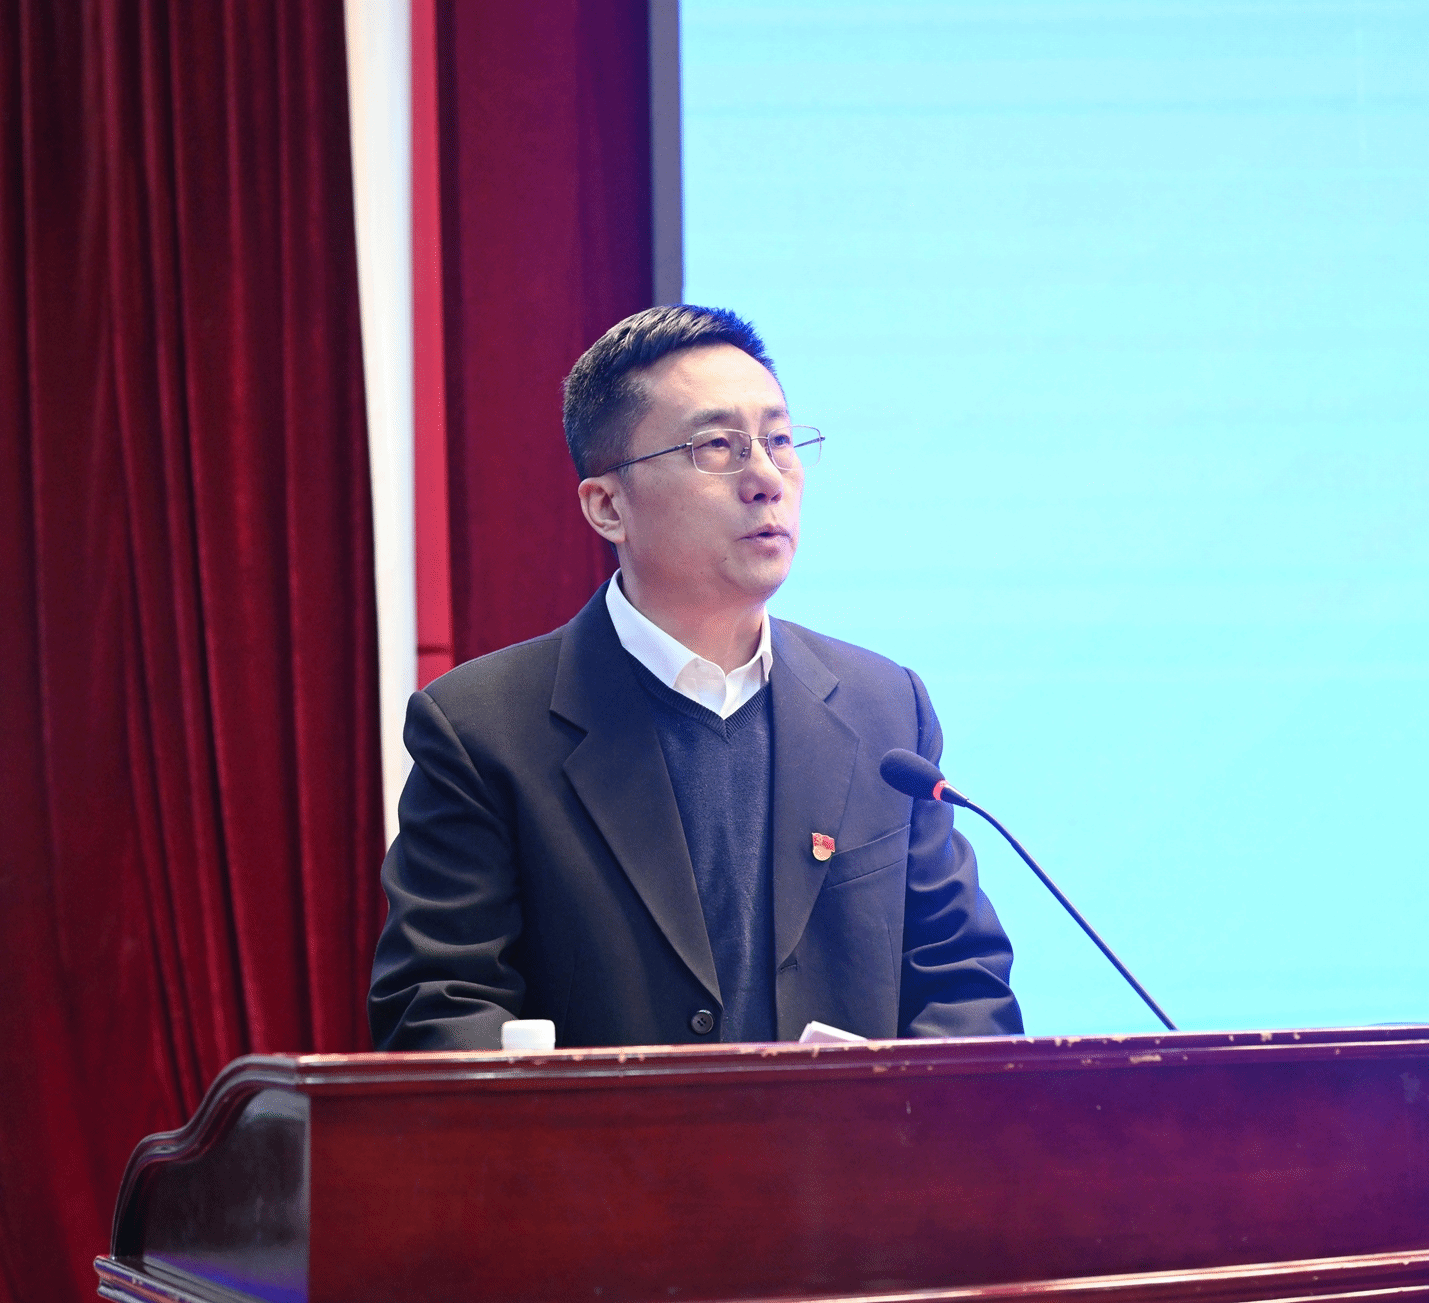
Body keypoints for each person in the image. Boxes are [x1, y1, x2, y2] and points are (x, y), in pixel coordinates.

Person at [368, 305, 1021, 1049]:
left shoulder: (885, 711)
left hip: (850, 1133)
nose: (766, 478)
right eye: (717, 446)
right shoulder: (486, 728)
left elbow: (963, 987)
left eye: (779, 440)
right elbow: (440, 1008)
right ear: (607, 506)